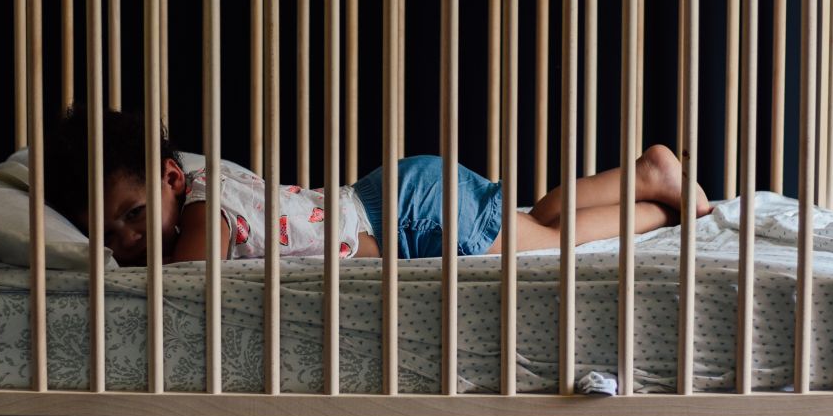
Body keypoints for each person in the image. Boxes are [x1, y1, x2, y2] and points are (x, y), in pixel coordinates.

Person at [44, 106, 712, 267]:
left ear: (168, 177)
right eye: (107, 234)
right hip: (395, 197)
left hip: (404, 214)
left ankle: (656, 209)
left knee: (549, 244)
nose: (127, 239)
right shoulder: (202, 176)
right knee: (538, 221)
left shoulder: (199, 209)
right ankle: (647, 174)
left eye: (132, 215)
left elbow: (187, 284)